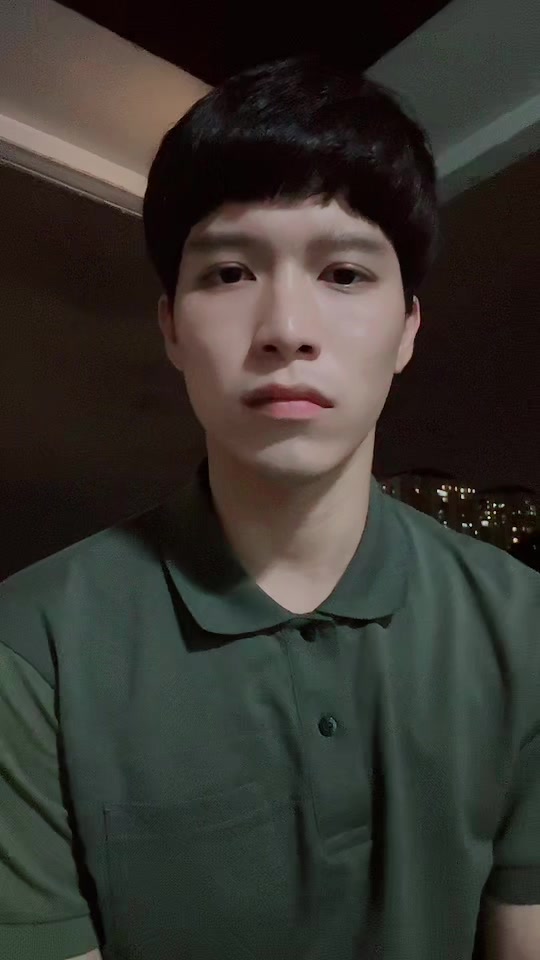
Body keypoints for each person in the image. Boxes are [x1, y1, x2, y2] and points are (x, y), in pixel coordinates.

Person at [0, 55, 539, 960]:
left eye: (345, 273)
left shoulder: (523, 626)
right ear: (171, 327)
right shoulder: (29, 651)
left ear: (408, 328)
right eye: (228, 273)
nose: (286, 328)